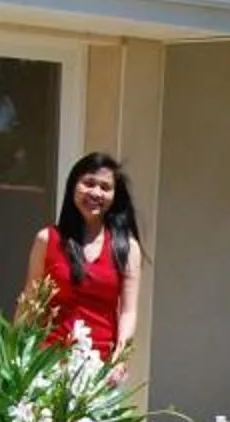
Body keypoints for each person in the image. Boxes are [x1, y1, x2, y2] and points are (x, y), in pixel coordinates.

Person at [20, 152, 142, 363]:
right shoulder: (46, 240)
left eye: (105, 187)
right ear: (73, 186)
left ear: (114, 196)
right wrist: (16, 356)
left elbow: (128, 312)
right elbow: (30, 302)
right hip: (47, 365)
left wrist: (119, 359)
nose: (96, 193)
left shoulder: (127, 249)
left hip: (100, 370)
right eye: (89, 183)